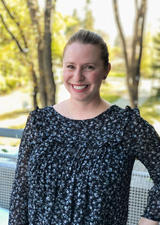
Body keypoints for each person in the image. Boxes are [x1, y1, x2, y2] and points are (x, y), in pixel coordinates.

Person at [8, 29, 160, 225]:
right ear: (62, 69)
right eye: (71, 66)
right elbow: (21, 192)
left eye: (88, 67)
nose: (78, 77)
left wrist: (149, 221)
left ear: (106, 70)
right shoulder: (39, 123)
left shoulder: (126, 126)